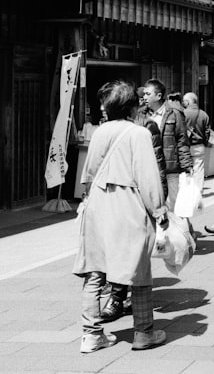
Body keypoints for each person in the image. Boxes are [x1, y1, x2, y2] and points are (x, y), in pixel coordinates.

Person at [73, 80, 167, 353]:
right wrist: (159, 210)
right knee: (138, 271)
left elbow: (88, 172)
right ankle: (143, 332)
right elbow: (148, 178)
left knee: (94, 272)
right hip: (128, 206)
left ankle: (91, 334)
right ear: (132, 106)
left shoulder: (100, 132)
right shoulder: (138, 134)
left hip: (98, 204)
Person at [142, 79, 192, 212]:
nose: (144, 97)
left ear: (158, 96)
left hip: (170, 168)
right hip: (150, 167)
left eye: (148, 94)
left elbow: (182, 141)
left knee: (173, 206)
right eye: (144, 94)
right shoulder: (141, 115)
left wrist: (187, 166)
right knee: (153, 206)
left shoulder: (174, 114)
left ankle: (182, 231)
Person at [182, 92, 211, 190]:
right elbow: (207, 132)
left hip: (185, 147)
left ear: (187, 101)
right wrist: (205, 142)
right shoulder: (204, 114)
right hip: (199, 146)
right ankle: (198, 194)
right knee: (199, 171)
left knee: (186, 171)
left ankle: (188, 192)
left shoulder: (183, 114)